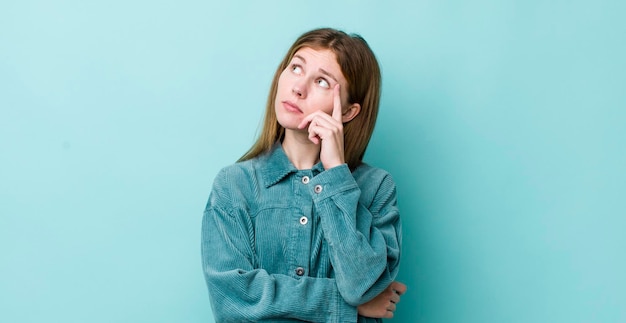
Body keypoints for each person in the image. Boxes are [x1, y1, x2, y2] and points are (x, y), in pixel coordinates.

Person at [201, 27, 406, 323]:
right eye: (296, 67)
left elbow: (364, 287)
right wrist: (341, 304)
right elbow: (232, 301)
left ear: (348, 112)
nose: (299, 87)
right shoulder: (234, 185)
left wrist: (335, 171)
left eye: (322, 81)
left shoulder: (376, 188)